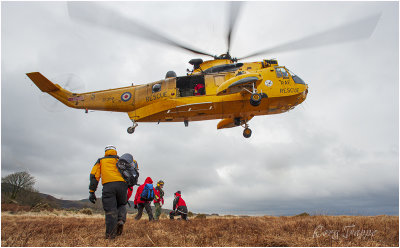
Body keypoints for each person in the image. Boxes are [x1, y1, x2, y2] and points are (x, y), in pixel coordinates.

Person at [89, 145, 127, 239]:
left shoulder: (101, 160)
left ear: (105, 152)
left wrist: (92, 191)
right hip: (122, 186)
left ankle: (110, 236)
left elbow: (94, 176)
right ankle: (121, 219)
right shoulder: (121, 160)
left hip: (108, 186)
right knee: (122, 204)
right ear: (115, 151)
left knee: (110, 210)